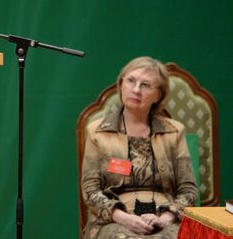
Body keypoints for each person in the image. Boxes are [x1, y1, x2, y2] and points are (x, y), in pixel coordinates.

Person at [81, 56, 197, 238]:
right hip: (114, 221)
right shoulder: (97, 132)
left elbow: (188, 191)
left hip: (164, 219)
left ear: (158, 95)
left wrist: (165, 218)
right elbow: (90, 191)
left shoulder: (174, 132)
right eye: (131, 81)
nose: (136, 89)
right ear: (121, 85)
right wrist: (123, 218)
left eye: (145, 85)